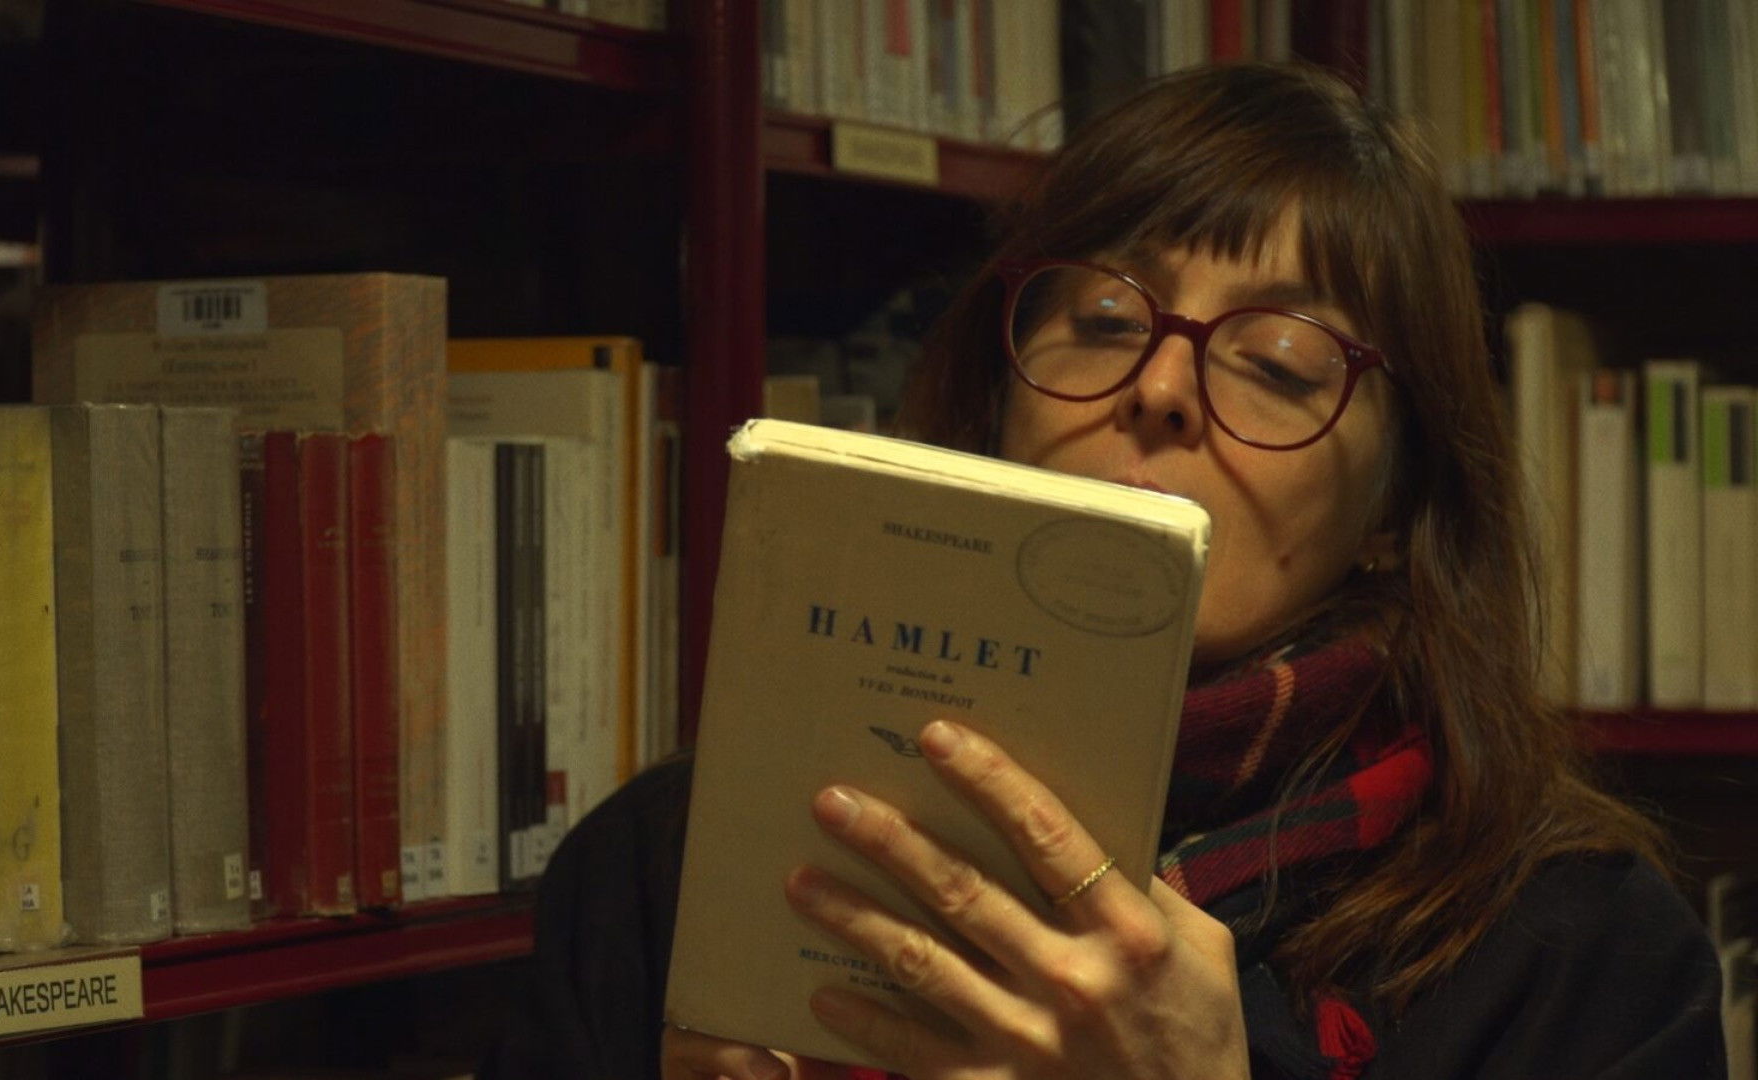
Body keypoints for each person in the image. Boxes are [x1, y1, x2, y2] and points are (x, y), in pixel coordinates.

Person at [526, 63, 1726, 1079]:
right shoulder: (674, 867)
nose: (1157, 388)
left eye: (1277, 362)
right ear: (996, 398)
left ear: (1396, 503)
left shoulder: (1577, 949)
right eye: (1104, 318)